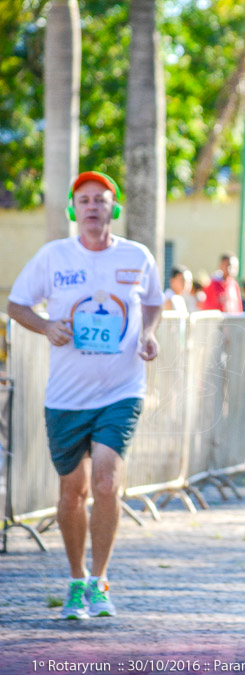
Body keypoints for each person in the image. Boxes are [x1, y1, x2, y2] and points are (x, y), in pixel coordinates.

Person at [7, 171, 163, 620]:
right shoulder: (53, 257)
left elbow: (152, 301)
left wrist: (148, 332)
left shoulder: (137, 256)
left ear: (114, 208)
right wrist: (47, 326)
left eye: (102, 199)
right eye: (85, 200)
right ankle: (76, 581)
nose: (93, 206)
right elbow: (18, 305)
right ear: (74, 209)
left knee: (107, 482)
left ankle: (100, 580)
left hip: (122, 388)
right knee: (72, 491)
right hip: (67, 396)